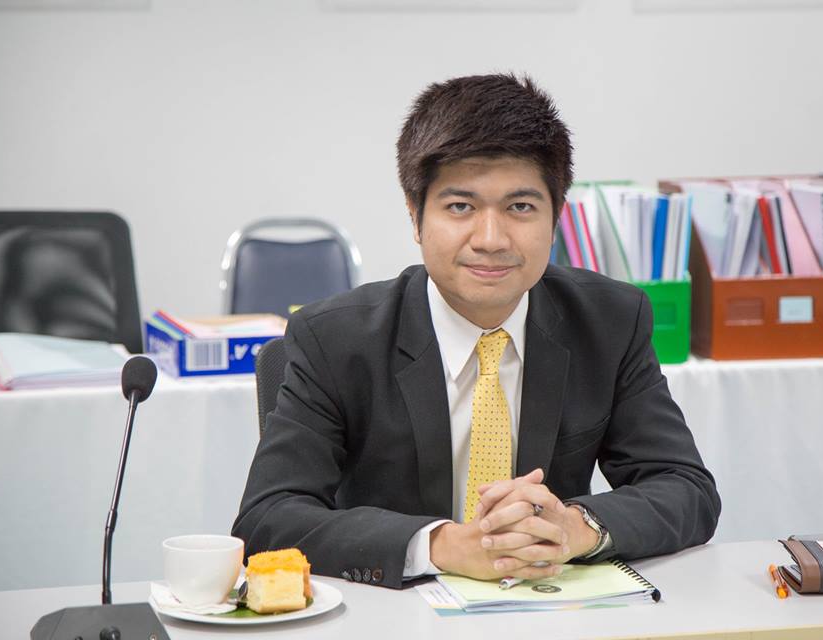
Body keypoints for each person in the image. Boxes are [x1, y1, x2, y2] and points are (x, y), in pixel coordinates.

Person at [232, 73, 721, 589]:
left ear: (556, 218)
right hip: (397, 612)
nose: (490, 239)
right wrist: (442, 545)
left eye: (520, 207)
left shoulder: (609, 321)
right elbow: (268, 519)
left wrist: (574, 529)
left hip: (549, 608)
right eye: (460, 207)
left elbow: (685, 488)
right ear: (415, 217)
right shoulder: (334, 338)